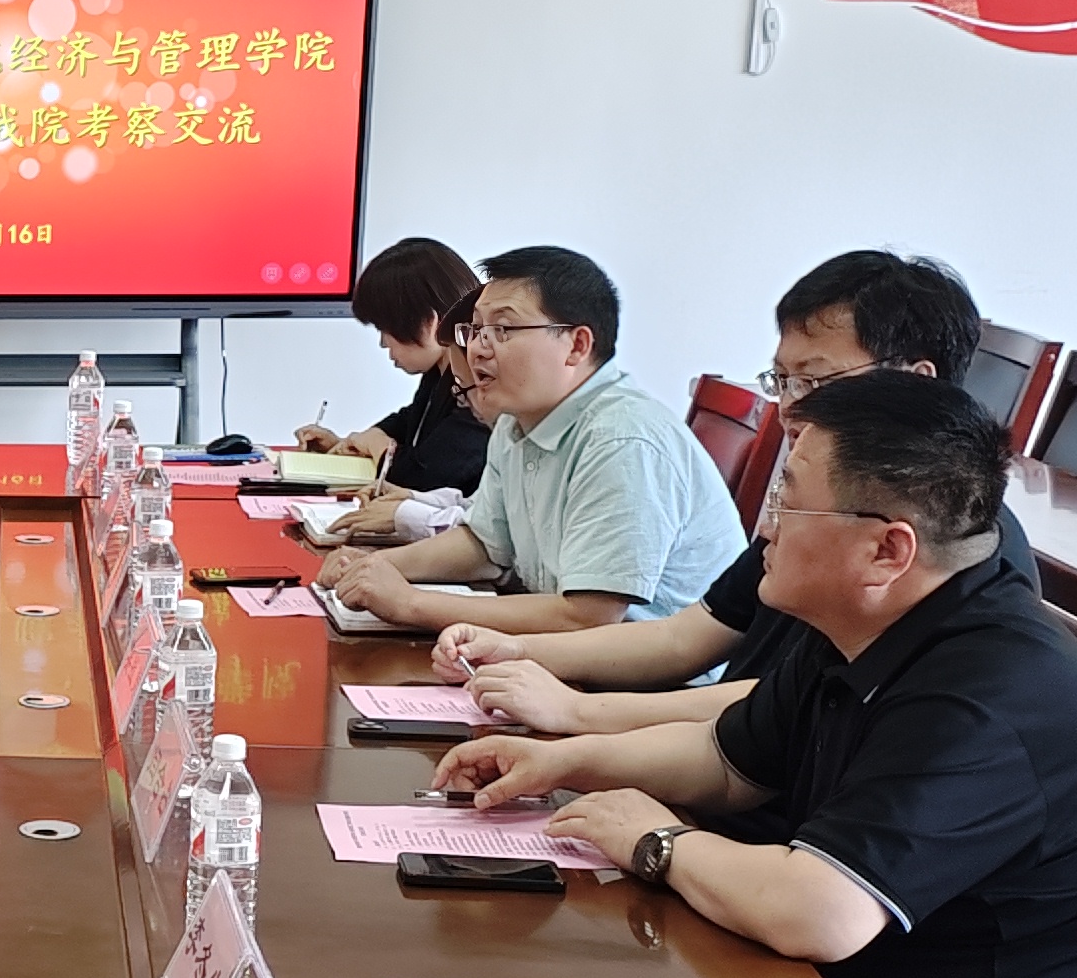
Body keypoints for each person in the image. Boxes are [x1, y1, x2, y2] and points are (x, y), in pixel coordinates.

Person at [436, 370, 1077, 978]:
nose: (764, 525)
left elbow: (820, 913)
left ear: (888, 549)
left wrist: (659, 842)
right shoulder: (871, 620)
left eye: (788, 502)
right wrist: (564, 761)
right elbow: (729, 760)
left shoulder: (987, 693)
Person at [440, 249, 1035, 733]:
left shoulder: (957, 544)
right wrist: (517, 651)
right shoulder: (816, 502)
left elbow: (787, 703)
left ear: (915, 381)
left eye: (816, 381)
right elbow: (683, 639)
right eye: (784, 380)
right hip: (718, 747)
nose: (791, 408)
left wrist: (575, 713)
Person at [320, 244, 741, 636]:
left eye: (503, 328)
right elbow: (484, 545)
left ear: (577, 345)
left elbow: (587, 617)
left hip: (653, 679)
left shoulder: (621, 441)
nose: (478, 349)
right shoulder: (514, 424)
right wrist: (373, 565)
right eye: (476, 329)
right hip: (563, 659)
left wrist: (411, 603)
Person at [291, 236, 487, 517]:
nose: (383, 343)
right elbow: (408, 422)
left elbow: (420, 478)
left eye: (386, 328)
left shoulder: (481, 388)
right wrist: (350, 444)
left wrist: (375, 443)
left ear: (430, 322)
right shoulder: (442, 370)